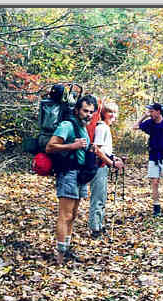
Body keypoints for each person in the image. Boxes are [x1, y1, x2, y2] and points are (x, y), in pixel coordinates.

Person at [46, 94, 97, 262]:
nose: (88, 114)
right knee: (65, 215)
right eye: (85, 111)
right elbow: (50, 147)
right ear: (77, 110)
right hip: (68, 173)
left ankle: (66, 249)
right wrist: (72, 145)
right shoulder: (67, 125)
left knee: (73, 215)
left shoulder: (83, 128)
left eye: (91, 112)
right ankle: (59, 255)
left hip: (79, 176)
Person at [133, 102, 163, 217]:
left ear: (158, 111)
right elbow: (135, 127)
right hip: (153, 155)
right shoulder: (150, 123)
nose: (150, 113)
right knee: (154, 182)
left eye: (151, 111)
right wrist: (144, 116)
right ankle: (156, 207)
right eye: (149, 111)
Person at [88, 100, 124, 239]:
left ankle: (99, 225)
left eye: (115, 112)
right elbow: (96, 149)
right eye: (110, 112)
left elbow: (104, 150)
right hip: (98, 167)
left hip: (102, 165)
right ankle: (95, 229)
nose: (113, 115)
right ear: (103, 113)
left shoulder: (104, 127)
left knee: (101, 197)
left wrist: (114, 158)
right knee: (98, 198)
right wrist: (111, 163)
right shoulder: (102, 128)